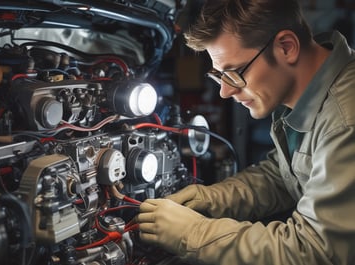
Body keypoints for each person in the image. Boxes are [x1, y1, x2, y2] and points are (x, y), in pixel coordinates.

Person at [135, 0, 355, 264]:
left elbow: (315, 252)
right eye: (219, 76)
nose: (225, 91)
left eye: (234, 72)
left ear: (286, 47)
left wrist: (192, 233)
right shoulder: (305, 97)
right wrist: (211, 198)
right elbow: (285, 176)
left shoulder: (345, 120)